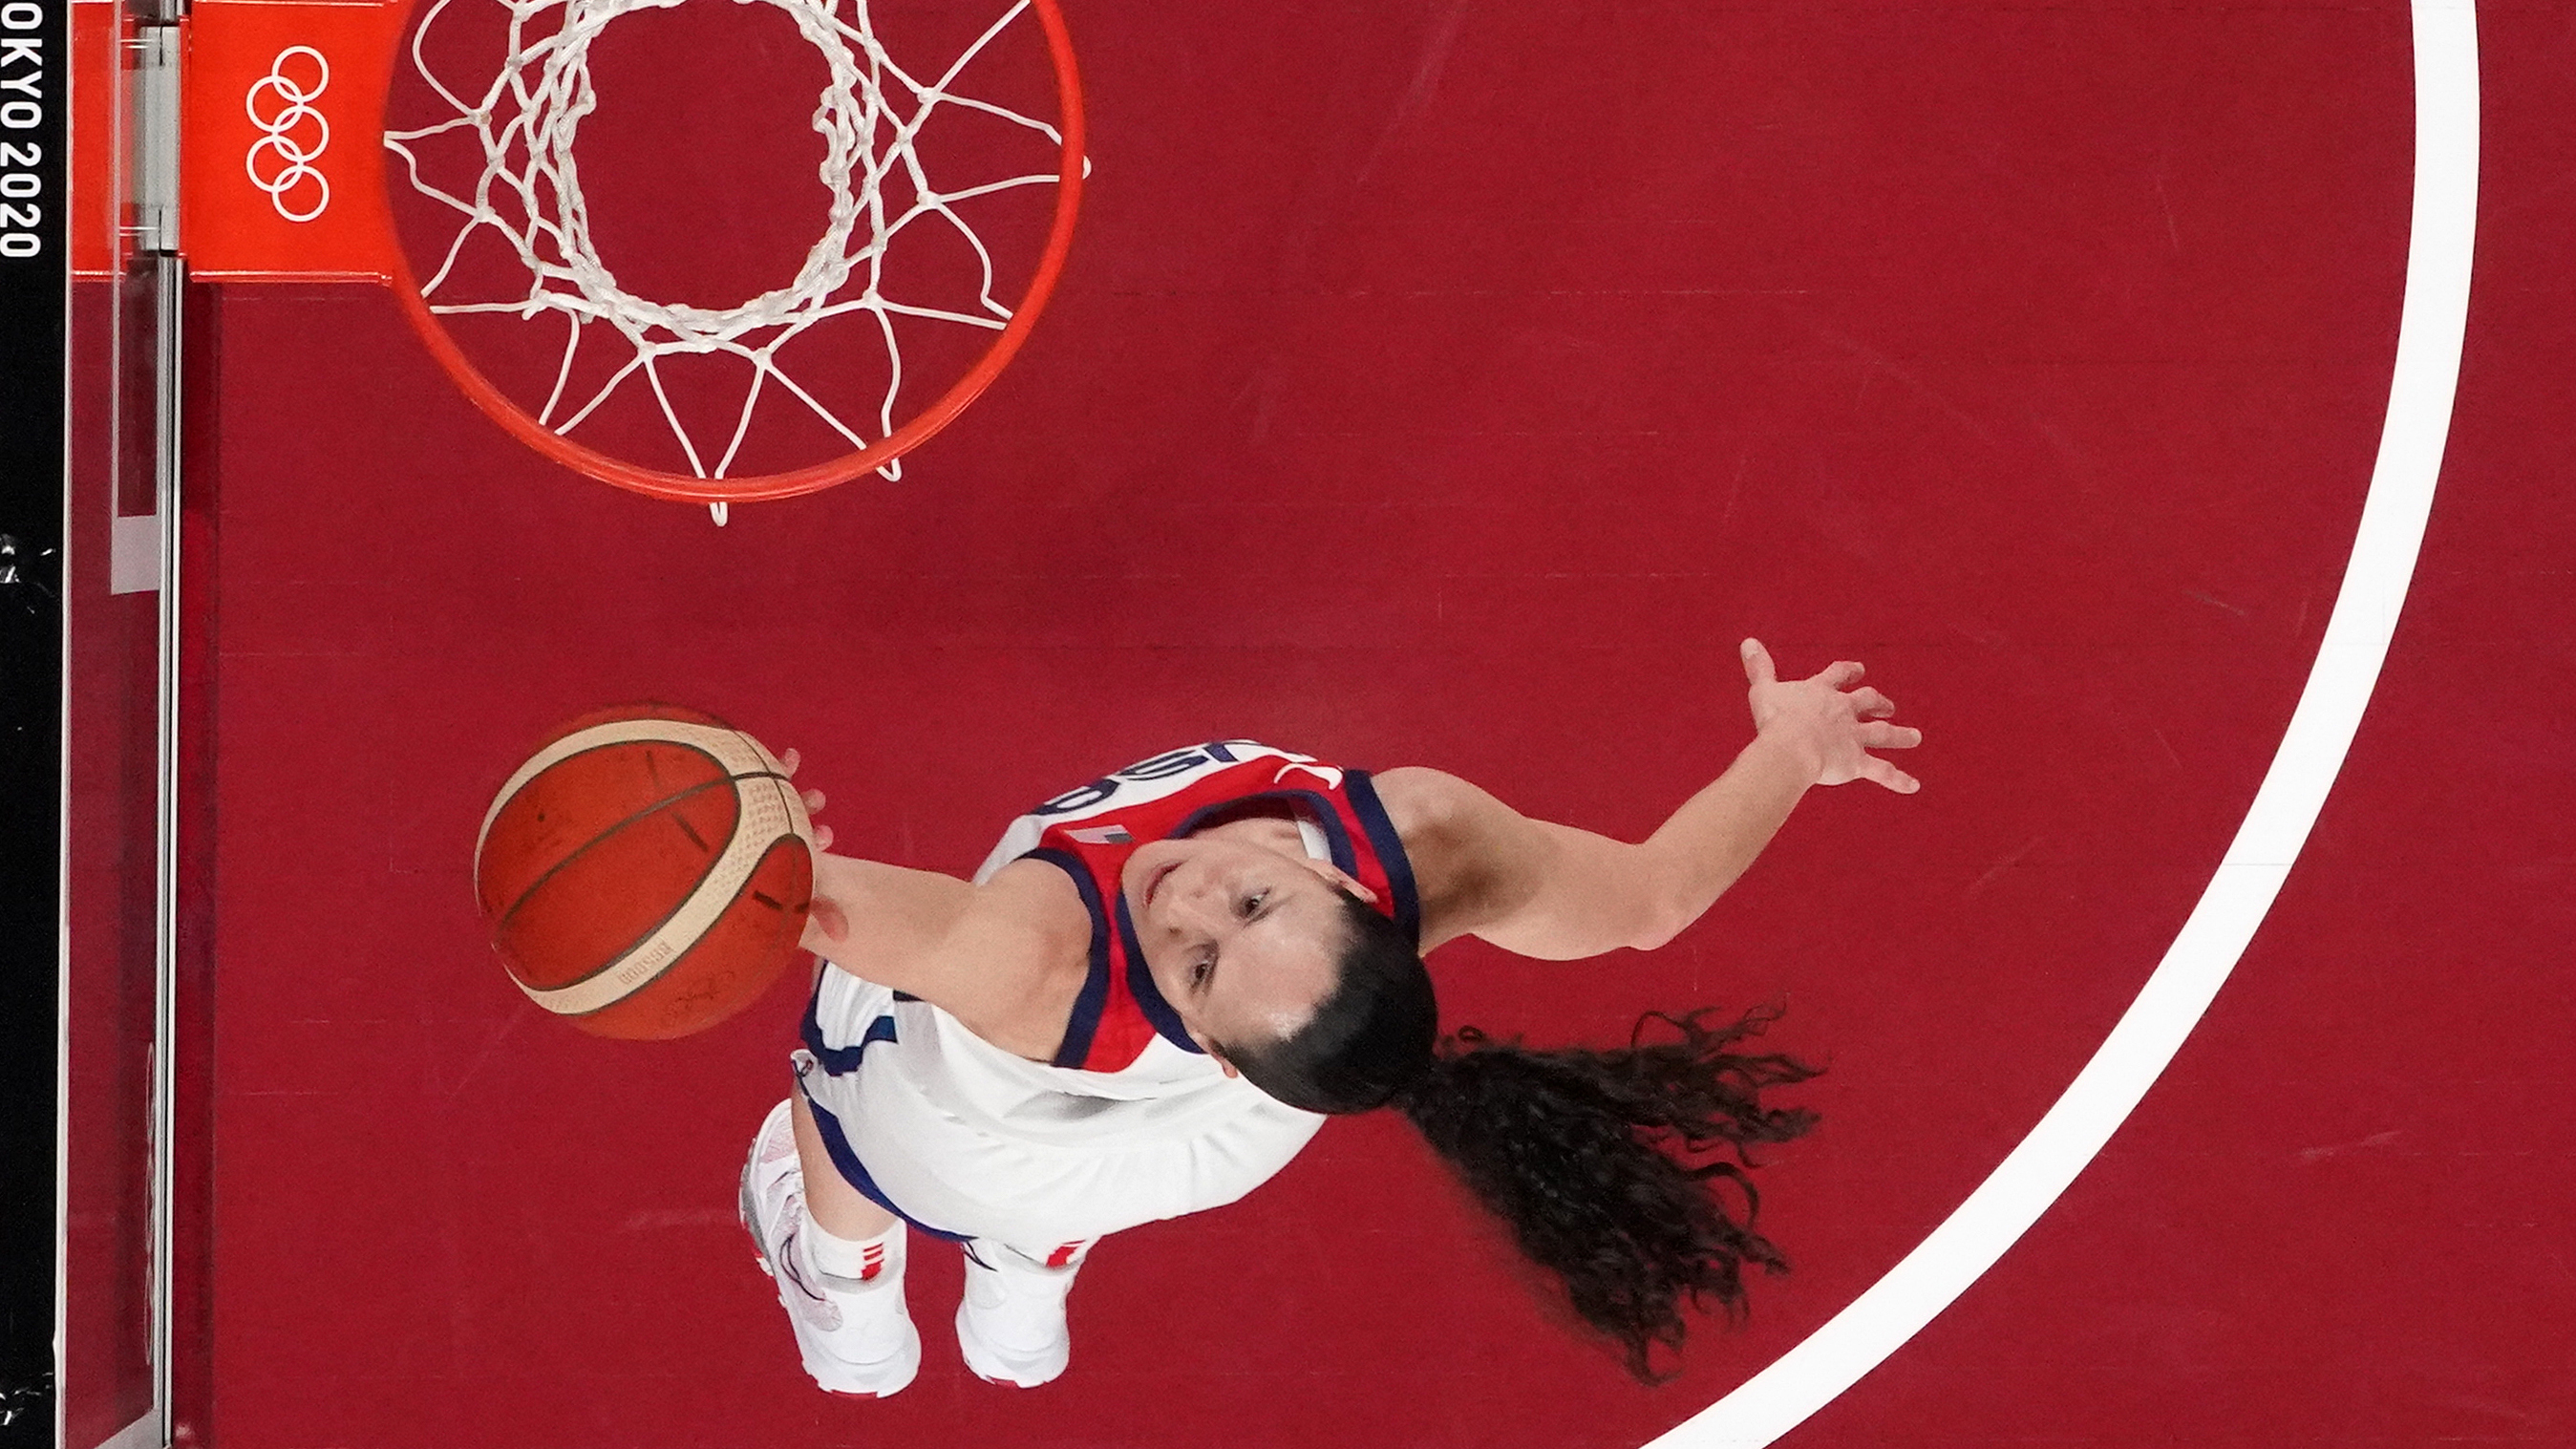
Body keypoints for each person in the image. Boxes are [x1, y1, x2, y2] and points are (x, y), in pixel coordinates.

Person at [738, 639, 1922, 1394]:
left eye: (1198, 962)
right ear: (1365, 895)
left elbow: (787, 902)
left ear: (1204, 1035)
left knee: (841, 1082)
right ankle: (1024, 1287)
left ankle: (844, 1304)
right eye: (1256, 897)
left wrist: (749, 820)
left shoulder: (1033, 953)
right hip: (1224, 1139)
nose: (1189, 894)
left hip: (970, 1139)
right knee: (1063, 1194)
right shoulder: (1431, 842)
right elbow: (1653, 897)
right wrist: (1792, 750)